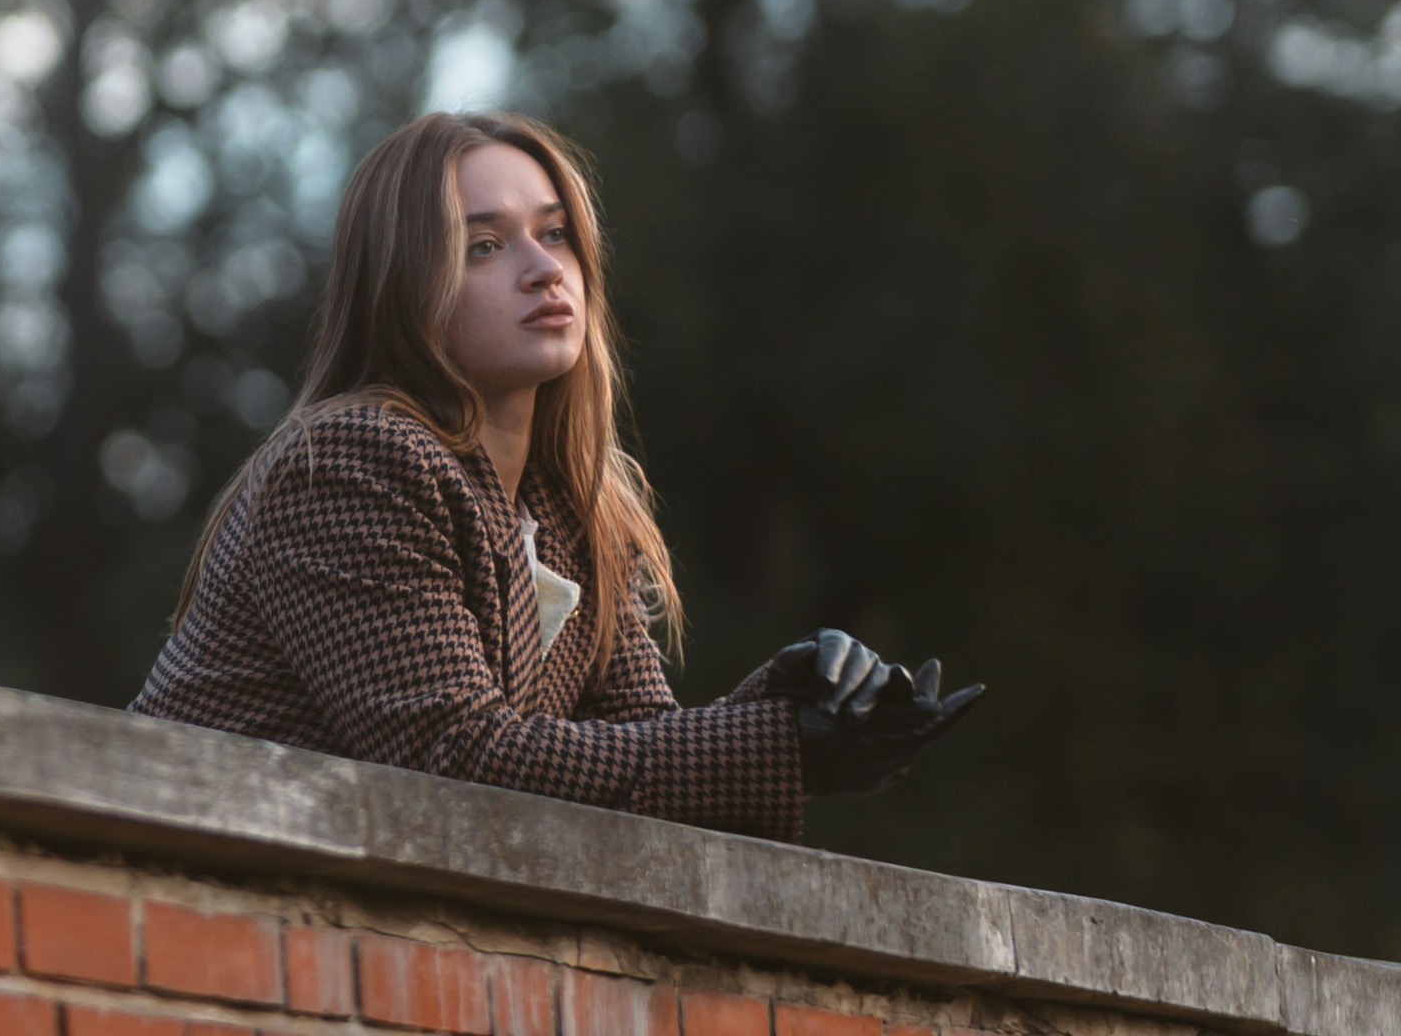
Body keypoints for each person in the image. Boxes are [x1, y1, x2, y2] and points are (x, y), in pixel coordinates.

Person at [128, 111, 979, 841]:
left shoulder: (579, 511)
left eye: (556, 232)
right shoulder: (352, 464)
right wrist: (786, 749)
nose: (544, 268)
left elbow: (637, 755)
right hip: (162, 901)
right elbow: (456, 759)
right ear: (402, 288)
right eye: (485, 246)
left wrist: (783, 709)